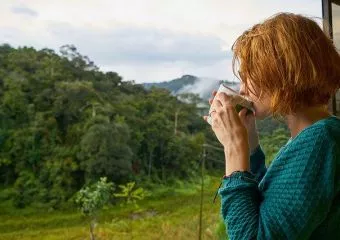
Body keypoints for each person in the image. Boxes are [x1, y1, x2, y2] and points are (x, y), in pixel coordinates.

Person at [203, 13, 340, 239]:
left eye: (249, 76)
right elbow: (272, 203)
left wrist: (234, 149)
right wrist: (250, 142)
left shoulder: (321, 140)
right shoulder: (313, 135)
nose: (243, 89)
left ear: (280, 73)